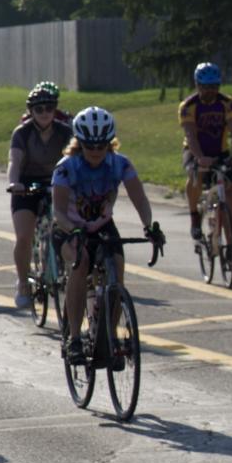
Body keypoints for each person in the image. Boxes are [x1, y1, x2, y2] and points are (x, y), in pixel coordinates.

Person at [50, 107, 165, 362]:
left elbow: (140, 199)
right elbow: (58, 211)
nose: (95, 151)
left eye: (101, 146)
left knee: (117, 271)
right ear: (79, 143)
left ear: (109, 143)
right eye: (90, 146)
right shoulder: (66, 168)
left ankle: (109, 334)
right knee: (80, 265)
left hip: (102, 227)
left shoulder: (120, 164)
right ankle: (74, 340)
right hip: (70, 226)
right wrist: (73, 231)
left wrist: (149, 226)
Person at [5, 83, 76, 308]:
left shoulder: (65, 131)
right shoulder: (22, 133)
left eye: (49, 108)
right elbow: (14, 162)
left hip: (57, 183)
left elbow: (76, 161)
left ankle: (68, 269)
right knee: (24, 236)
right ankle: (23, 283)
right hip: (26, 186)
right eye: (39, 109)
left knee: (69, 229)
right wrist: (14, 183)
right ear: (31, 112)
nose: (44, 113)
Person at [178, 62, 232, 267]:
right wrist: (199, 157)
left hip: (220, 151)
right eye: (205, 87)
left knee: (230, 193)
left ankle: (231, 246)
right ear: (197, 85)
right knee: (195, 176)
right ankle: (195, 216)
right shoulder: (188, 106)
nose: (210, 91)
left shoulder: (228, 104)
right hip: (195, 150)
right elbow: (190, 134)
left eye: (214, 86)